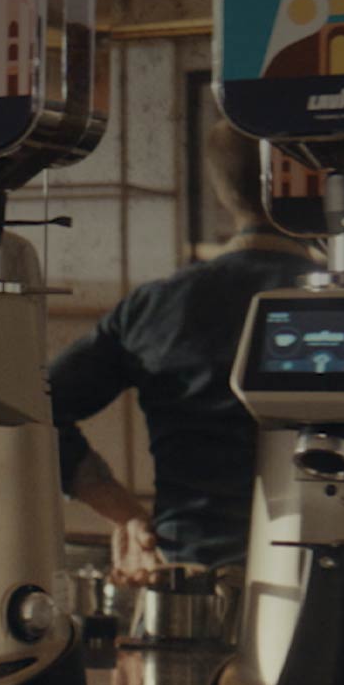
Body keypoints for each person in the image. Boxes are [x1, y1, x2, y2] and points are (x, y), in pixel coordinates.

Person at [49, 119, 315, 587]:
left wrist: (124, 512)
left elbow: (36, 407)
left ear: (222, 193)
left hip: (184, 581)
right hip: (318, 573)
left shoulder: (155, 305)